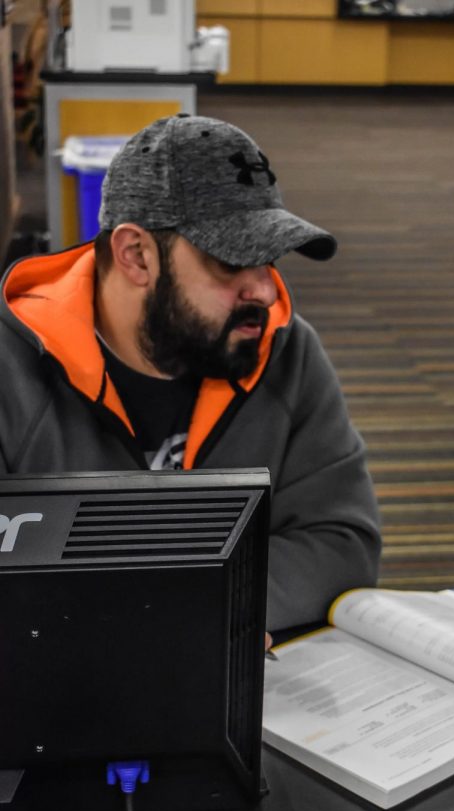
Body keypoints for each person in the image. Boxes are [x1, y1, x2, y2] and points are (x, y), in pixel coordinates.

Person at [0, 114, 380, 633]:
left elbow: (341, 543)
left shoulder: (286, 351)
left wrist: (189, 617)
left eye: (270, 259)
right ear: (136, 256)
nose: (266, 293)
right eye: (231, 262)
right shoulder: (12, 366)